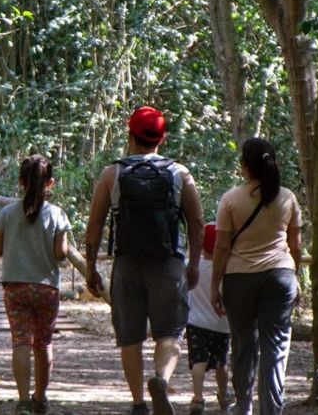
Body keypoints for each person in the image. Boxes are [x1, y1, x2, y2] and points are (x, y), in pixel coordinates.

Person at [85, 106, 206, 415]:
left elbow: (95, 226)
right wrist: (192, 264)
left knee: (130, 336)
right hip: (168, 263)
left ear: (130, 135)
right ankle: (161, 381)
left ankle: (139, 403)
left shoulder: (112, 173)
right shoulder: (180, 173)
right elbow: (196, 222)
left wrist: (91, 267)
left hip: (126, 264)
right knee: (170, 333)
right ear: (161, 138)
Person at [210, 138, 302, 415]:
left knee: (243, 346)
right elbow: (296, 245)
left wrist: (215, 286)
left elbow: (222, 247)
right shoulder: (288, 198)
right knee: (275, 347)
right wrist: (295, 277)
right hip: (280, 276)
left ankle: (244, 408)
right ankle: (271, 410)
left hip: (240, 279)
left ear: (244, 167)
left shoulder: (230, 199)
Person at [0, 155, 71, 415]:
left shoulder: (7, 213)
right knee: (44, 344)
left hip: (15, 287)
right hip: (46, 287)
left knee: (21, 341)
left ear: (20, 181)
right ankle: (41, 398)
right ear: (50, 183)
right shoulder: (57, 214)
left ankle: (23, 400)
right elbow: (61, 254)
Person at [185, 222, 231, 415]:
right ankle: (223, 395)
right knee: (221, 362)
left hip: (196, 323)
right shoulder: (227, 272)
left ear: (201, 245)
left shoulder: (192, 267)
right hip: (222, 324)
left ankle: (198, 397)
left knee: (199, 361)